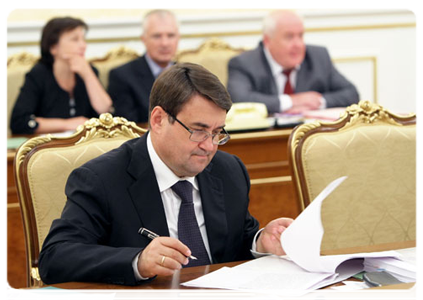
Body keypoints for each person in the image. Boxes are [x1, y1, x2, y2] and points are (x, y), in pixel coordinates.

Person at [38, 62, 293, 285]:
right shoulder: (102, 179)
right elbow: (55, 258)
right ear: (158, 120)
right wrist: (138, 261)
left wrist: (260, 243)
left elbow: (235, 241)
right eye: (199, 130)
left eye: (217, 132)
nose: (210, 145)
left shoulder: (229, 171)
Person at [227, 10, 359, 114]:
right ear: (268, 40)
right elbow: (238, 100)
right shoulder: (243, 63)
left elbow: (351, 93)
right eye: (289, 37)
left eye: (300, 36)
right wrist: (290, 101)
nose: (298, 44)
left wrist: (317, 101)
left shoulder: (318, 56)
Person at [10, 17, 112, 134]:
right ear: (53, 47)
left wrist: (88, 74)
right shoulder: (38, 74)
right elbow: (19, 121)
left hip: (86, 146)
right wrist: (67, 124)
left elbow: (105, 112)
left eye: (83, 39)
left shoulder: (89, 70)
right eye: (75, 39)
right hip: (49, 147)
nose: (83, 45)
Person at [107, 9, 179, 123]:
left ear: (178, 38)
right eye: (157, 36)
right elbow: (127, 127)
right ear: (144, 39)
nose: (165, 43)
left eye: (170, 35)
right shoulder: (121, 76)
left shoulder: (189, 74)